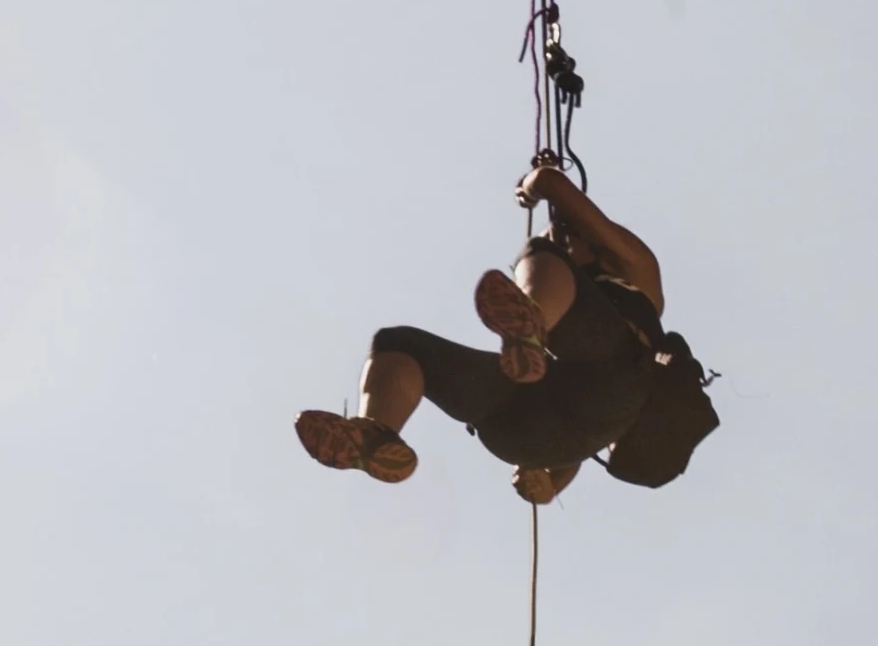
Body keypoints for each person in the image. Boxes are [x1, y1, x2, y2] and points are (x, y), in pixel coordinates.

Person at [295, 158, 718, 502]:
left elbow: (551, 184)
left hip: (605, 384)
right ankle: (373, 437)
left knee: (540, 253)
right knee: (398, 344)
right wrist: (549, 486)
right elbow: (583, 431)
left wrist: (530, 185)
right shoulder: (582, 343)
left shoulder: (637, 272)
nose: (562, 235)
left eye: (571, 234)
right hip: (541, 437)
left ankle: (530, 327)